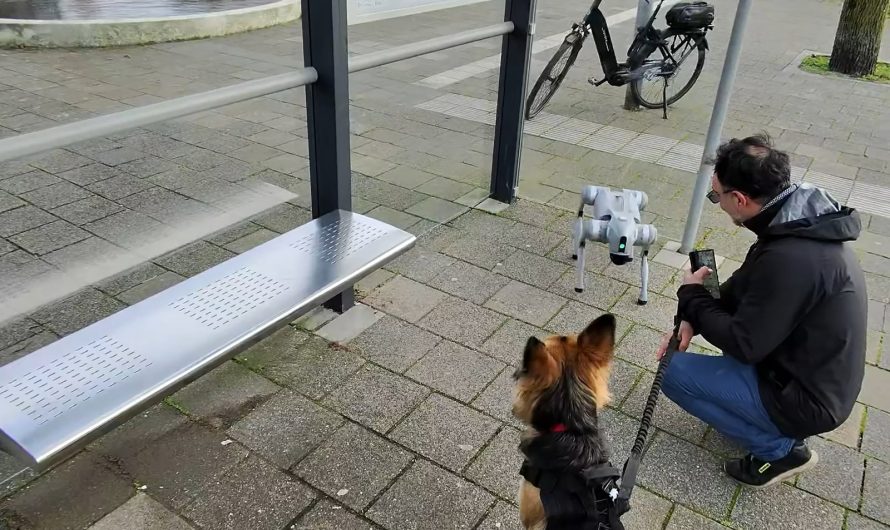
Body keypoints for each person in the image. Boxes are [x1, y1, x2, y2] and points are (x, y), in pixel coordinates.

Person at [656, 133, 868, 489]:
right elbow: (739, 296)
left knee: (671, 372)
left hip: (808, 400)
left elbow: (744, 343)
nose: (718, 203)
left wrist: (690, 295)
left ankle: (779, 449)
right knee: (723, 325)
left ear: (738, 199)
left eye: (716, 196)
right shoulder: (799, 226)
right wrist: (690, 314)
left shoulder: (790, 257)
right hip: (807, 372)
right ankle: (755, 417)